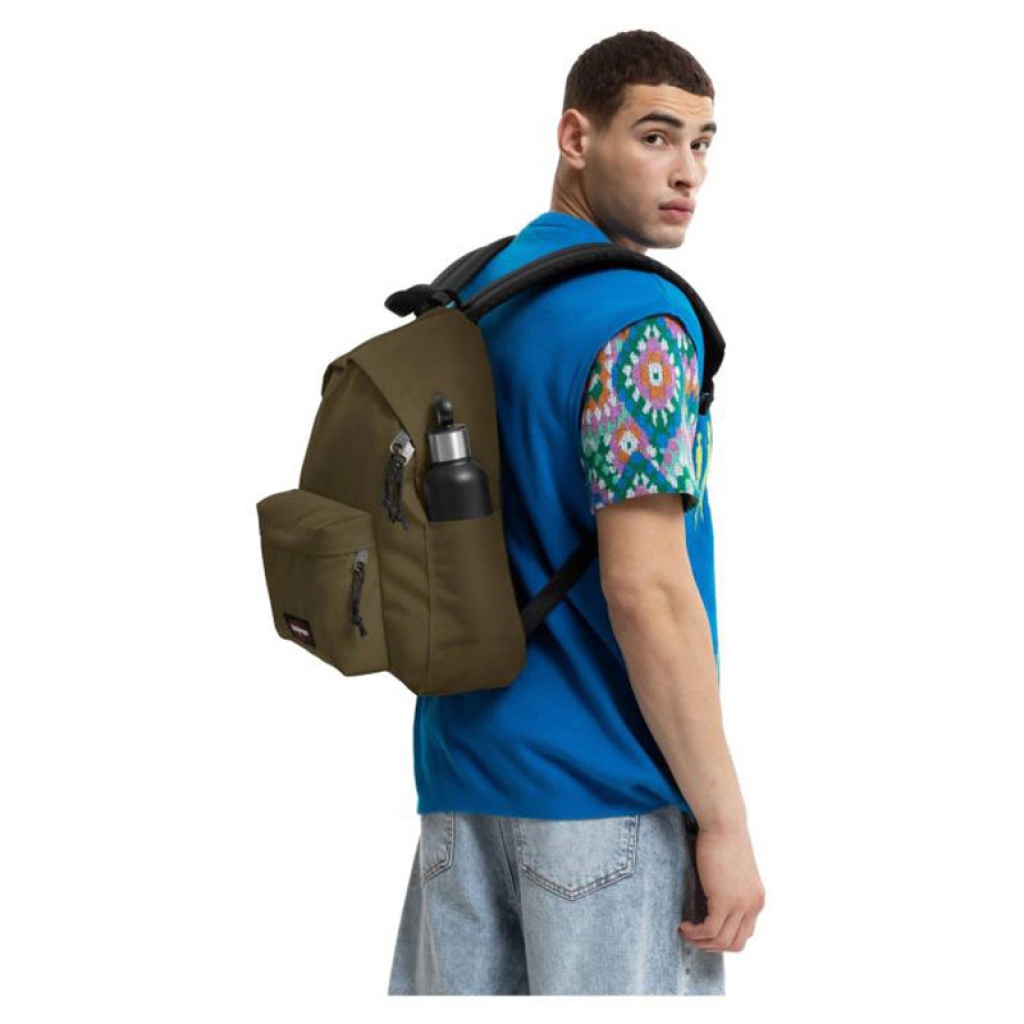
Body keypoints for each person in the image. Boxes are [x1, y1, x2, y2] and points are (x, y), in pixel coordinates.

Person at [387, 28, 765, 996]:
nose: (687, 172)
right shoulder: (640, 322)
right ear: (575, 137)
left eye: (703, 143)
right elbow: (647, 590)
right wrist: (724, 822)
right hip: (601, 802)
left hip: (460, 788)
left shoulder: (470, 297)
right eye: (655, 136)